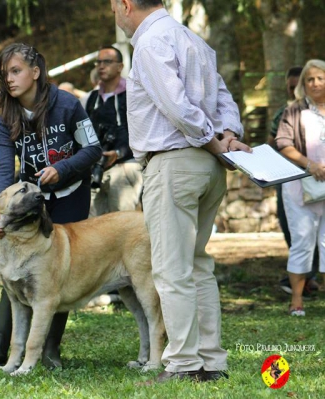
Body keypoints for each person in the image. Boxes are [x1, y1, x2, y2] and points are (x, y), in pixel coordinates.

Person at [111, 0, 250, 384]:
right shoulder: (193, 40)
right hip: (207, 166)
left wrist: (212, 140)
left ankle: (185, 364)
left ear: (126, 5)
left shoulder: (151, 42)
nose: (115, 17)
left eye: (113, 8)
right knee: (198, 264)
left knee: (172, 268)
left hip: (175, 161)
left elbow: (176, 107)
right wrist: (229, 134)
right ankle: (211, 360)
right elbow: (223, 97)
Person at [0, 42, 102, 369]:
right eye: (5, 75)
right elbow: (4, 170)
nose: (10, 80)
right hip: (31, 201)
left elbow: (93, 150)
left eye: (15, 71)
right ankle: (1, 346)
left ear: (36, 72)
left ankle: (50, 348)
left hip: (71, 192)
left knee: (59, 268)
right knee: (15, 264)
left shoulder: (69, 104)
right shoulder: (6, 120)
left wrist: (63, 169)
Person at [275, 59, 325, 317]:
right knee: (303, 242)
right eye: (310, 79)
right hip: (300, 187)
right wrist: (310, 165)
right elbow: (283, 143)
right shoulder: (294, 110)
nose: (315, 83)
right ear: (303, 84)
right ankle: (296, 301)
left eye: (320, 78)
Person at [85, 45, 142, 216]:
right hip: (97, 168)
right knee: (94, 228)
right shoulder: (93, 98)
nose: (101, 66)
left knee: (122, 227)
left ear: (120, 66)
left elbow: (142, 130)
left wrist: (119, 152)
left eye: (107, 61)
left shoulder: (133, 93)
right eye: (99, 62)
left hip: (125, 166)